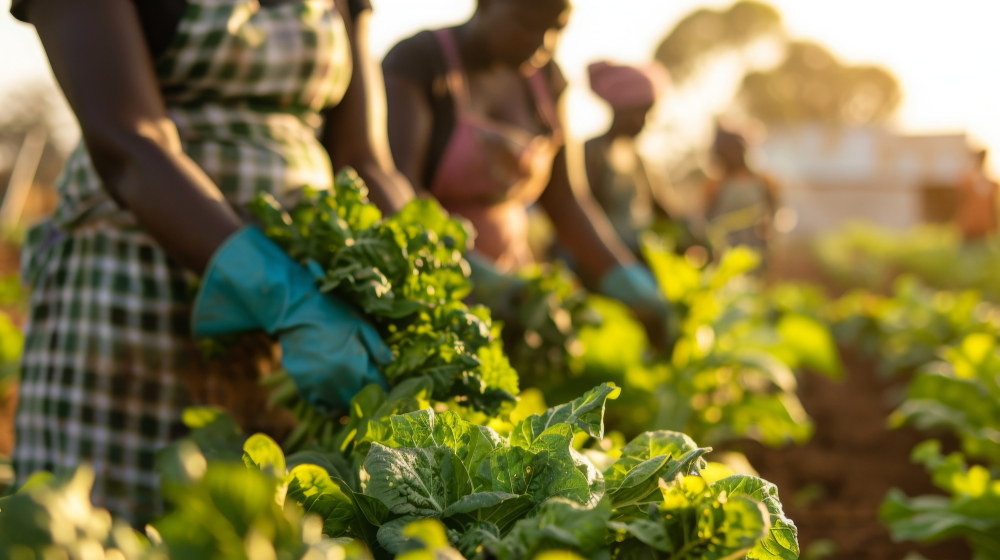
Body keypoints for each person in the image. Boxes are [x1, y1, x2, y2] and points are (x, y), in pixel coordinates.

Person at [10, 0, 409, 525]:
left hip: (292, 332)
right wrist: (287, 296)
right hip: (133, 299)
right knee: (108, 529)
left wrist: (436, 271)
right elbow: (129, 144)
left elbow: (363, 159)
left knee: (261, 531)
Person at [381, 0, 669, 336]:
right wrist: (463, 268)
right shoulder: (420, 61)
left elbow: (564, 200)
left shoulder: (548, 80)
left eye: (556, 29)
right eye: (528, 23)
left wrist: (624, 275)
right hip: (425, 280)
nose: (543, 42)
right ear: (486, 4)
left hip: (515, 282)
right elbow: (398, 188)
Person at [585, 60, 673, 256]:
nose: (647, 122)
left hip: (639, 256)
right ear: (625, 110)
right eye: (644, 113)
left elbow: (660, 207)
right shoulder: (590, 153)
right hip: (601, 260)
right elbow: (582, 215)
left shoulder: (638, 159)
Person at [703, 126, 779, 259]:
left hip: (756, 249)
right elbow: (705, 221)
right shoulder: (715, 185)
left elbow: (774, 214)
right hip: (724, 252)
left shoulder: (764, 181)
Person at [956, 149, 998, 242]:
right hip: (970, 227)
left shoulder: (990, 184)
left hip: (982, 227)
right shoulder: (968, 181)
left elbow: (992, 207)